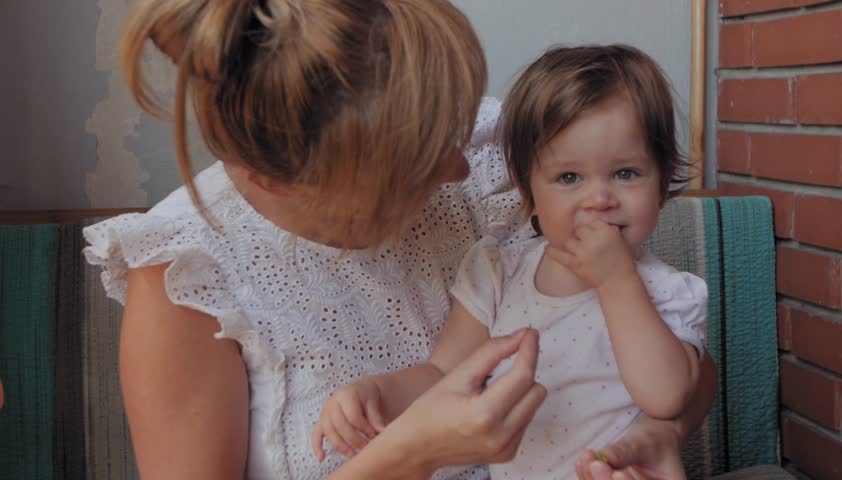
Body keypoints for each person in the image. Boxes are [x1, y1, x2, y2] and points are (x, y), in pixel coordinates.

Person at [82, 0, 716, 477]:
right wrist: (406, 454)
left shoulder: (510, 148)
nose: (464, 169)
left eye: (456, 128)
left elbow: (678, 365)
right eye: (416, 164)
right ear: (279, 180)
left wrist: (666, 432)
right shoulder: (189, 276)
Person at [313, 45, 710, 480]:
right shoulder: (498, 271)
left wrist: (617, 281)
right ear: (527, 193)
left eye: (626, 173)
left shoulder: (669, 291)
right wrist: (377, 393)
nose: (599, 200)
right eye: (569, 178)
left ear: (662, 179)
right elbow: (441, 374)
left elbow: (667, 397)